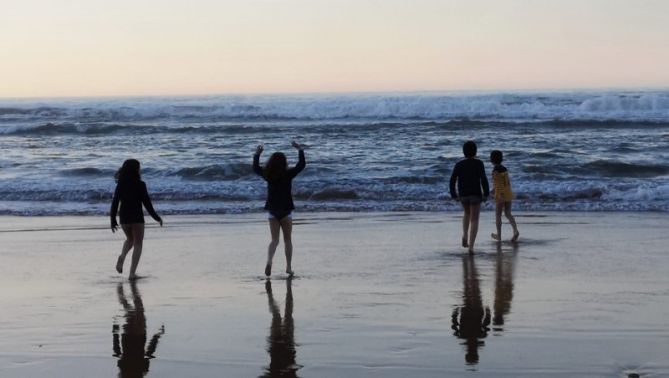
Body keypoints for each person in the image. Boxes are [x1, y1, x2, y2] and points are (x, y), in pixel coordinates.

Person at [253, 141, 306, 277]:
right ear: (284, 162)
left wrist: (257, 155)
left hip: (273, 211)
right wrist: (299, 150)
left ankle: (269, 261)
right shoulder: (288, 174)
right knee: (287, 239)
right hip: (286, 210)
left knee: (274, 240)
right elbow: (301, 166)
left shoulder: (268, 175)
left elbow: (255, 168)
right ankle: (288, 267)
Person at [111, 159, 163, 280]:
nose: (140, 170)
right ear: (135, 170)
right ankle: (132, 274)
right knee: (138, 243)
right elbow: (147, 203)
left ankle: (122, 256)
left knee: (130, 239)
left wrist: (113, 220)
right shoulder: (140, 184)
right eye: (139, 168)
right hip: (137, 218)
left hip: (124, 217)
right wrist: (156, 217)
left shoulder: (120, 184)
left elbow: (115, 202)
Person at [449, 141, 489, 253]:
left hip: (463, 195)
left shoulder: (459, 164)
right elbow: (483, 179)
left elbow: (452, 180)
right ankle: (471, 247)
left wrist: (453, 194)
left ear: (464, 152)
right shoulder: (479, 163)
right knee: (475, 219)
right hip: (475, 194)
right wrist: (486, 194)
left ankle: (465, 235)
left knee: (467, 213)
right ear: (475, 151)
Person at [489, 150, 519, 243]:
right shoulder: (505, 169)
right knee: (508, 213)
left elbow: (498, 185)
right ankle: (515, 230)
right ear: (501, 159)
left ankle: (499, 235)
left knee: (498, 215)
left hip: (500, 195)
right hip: (508, 193)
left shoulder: (495, 171)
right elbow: (506, 183)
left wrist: (494, 193)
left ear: (491, 160)